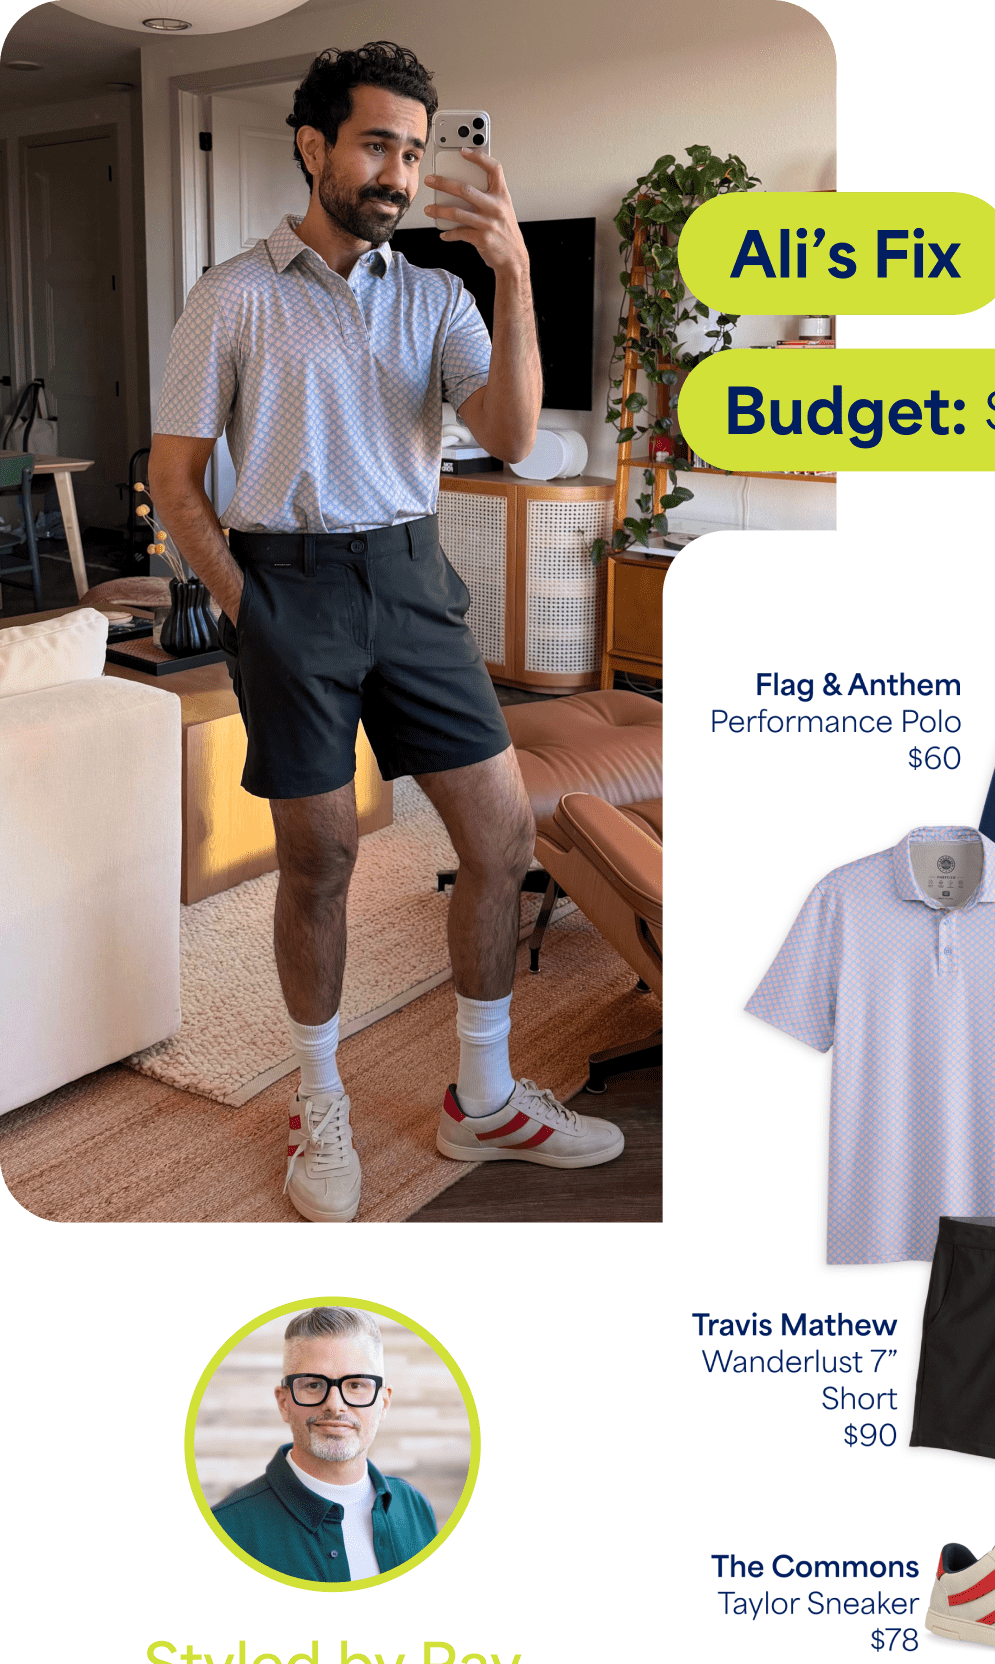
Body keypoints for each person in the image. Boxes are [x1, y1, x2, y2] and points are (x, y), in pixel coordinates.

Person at [150, 41, 622, 1221]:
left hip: (414, 580)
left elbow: (512, 434)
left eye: (412, 151)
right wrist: (255, 605)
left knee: (502, 832)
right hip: (287, 581)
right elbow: (174, 481)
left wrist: (514, 272)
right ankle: (319, 1098)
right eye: (377, 144)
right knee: (322, 859)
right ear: (312, 147)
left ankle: (484, 1095)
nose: (398, 172)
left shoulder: (440, 296)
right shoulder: (233, 294)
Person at [213, 1307, 438, 1582]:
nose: (334, 1404)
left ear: (384, 1403)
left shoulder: (414, 1507)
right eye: (313, 1385)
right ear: (284, 1402)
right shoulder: (227, 1530)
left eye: (356, 1385)